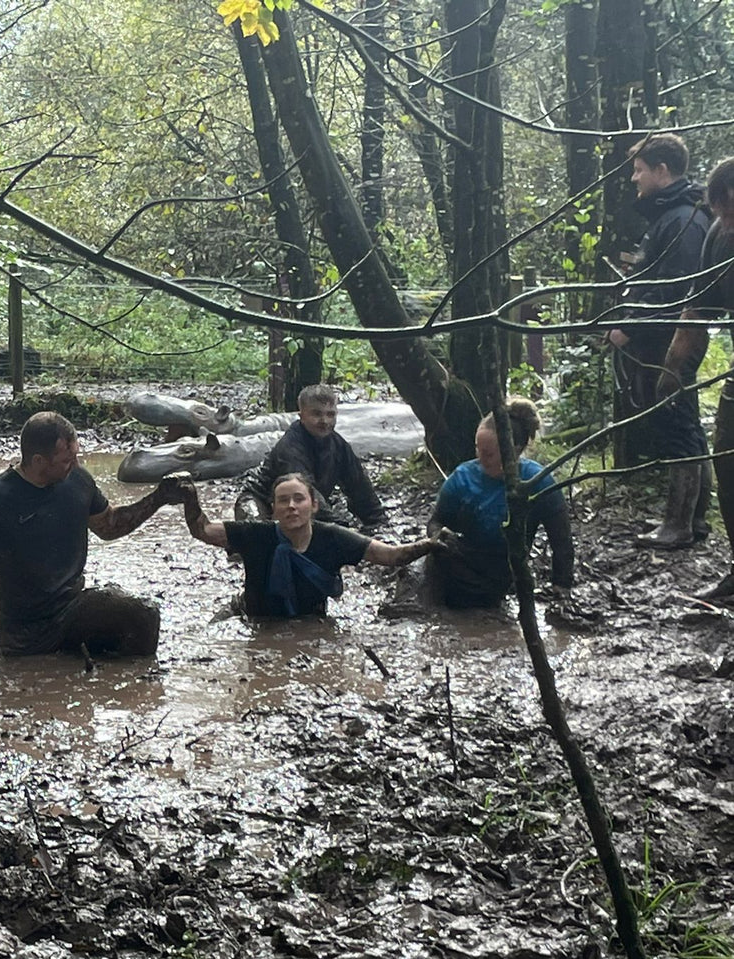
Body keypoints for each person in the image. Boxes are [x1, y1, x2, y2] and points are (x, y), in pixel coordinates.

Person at [0, 411, 187, 661]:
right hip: (21, 632)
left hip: (73, 609)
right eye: (66, 460)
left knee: (144, 616)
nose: (74, 465)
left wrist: (158, 498)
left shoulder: (78, 480)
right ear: (39, 460)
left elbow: (110, 525)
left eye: (75, 456)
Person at [606, 134, 712, 547]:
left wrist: (628, 328)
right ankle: (693, 520)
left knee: (677, 422)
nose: (634, 177)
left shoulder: (683, 219)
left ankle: (680, 524)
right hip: (663, 336)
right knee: (679, 421)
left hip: (673, 341)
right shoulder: (672, 217)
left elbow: (677, 291)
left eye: (639, 169)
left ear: (662, 170)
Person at [180, 471, 441, 617]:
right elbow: (203, 530)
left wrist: (431, 544)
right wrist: (189, 496)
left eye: (298, 499)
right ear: (273, 510)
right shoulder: (255, 534)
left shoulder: (334, 537)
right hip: (253, 619)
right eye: (283, 501)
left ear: (314, 505)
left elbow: (391, 556)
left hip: (310, 620)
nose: (291, 506)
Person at [663, 156, 734, 599]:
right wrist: (673, 365)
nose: (729, 222)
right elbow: (699, 308)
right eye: (724, 213)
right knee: (727, 458)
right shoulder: (718, 237)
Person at [426, 399, 575, 609]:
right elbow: (436, 521)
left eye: (488, 454)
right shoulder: (462, 478)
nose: (481, 458)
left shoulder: (538, 482)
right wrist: (439, 536)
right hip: (461, 564)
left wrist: (562, 588)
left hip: (507, 572)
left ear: (514, 450)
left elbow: (561, 540)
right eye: (478, 449)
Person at [234, 384, 387, 529]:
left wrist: (377, 522)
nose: (324, 421)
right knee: (256, 531)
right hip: (260, 501)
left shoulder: (339, 445)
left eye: (330, 414)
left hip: (302, 503)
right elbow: (305, 490)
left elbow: (359, 486)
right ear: (301, 416)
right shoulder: (290, 447)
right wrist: (338, 527)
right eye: (317, 414)